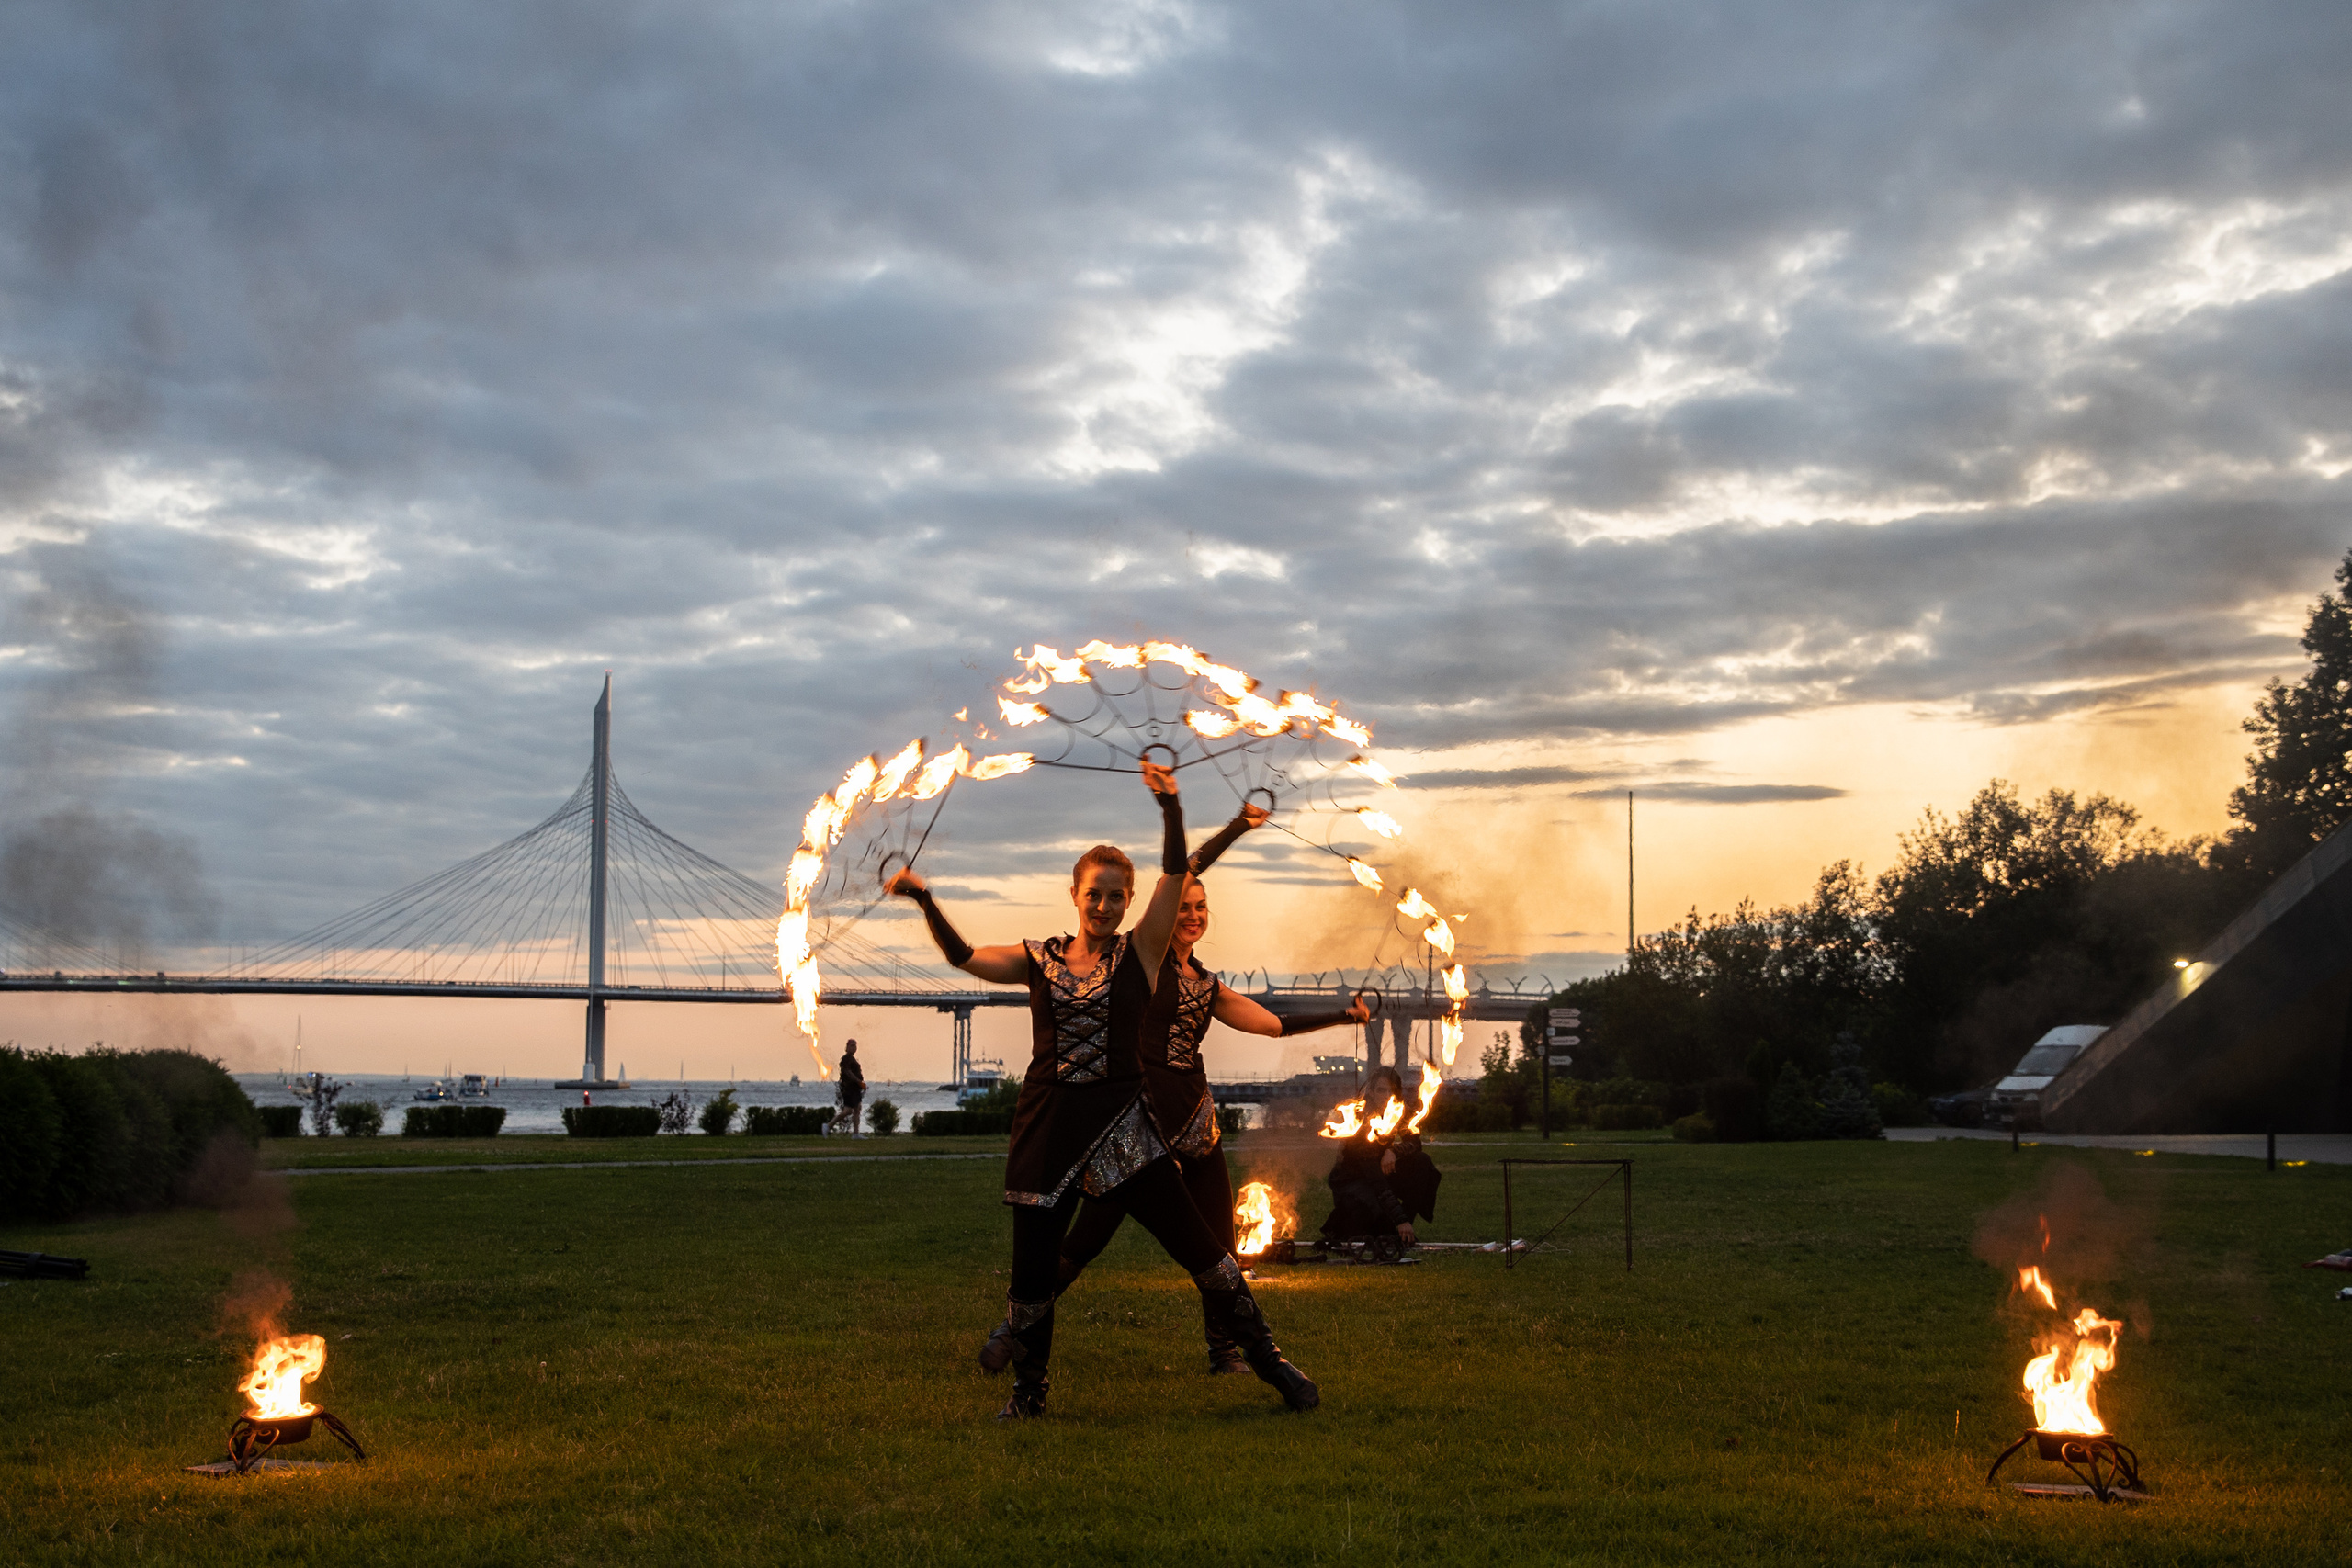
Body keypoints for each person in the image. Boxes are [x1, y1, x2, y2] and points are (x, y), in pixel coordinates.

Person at [889, 761, 1318, 1419]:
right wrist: (924, 900)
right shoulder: (1039, 957)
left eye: (1118, 896)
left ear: (1129, 902)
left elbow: (1176, 874)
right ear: (1075, 894)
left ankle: (1271, 1361)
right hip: (1049, 1126)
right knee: (1031, 1273)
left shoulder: (1140, 954)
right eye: (1096, 893)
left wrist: (1170, 804)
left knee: (1207, 1251)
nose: (1106, 905)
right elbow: (964, 957)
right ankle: (1029, 1391)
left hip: (1124, 1129)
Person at [992, 873, 1366, 1373]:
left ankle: (1224, 1350)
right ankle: (1011, 1332)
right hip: (1134, 1129)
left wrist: (1343, 1015)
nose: (1192, 917)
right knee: (1084, 1242)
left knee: (1218, 1245)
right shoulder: (1132, 967)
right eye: (1183, 907)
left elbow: (1271, 1023)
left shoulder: (1206, 985)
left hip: (1193, 1123)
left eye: (1201, 908)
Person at [1320, 1064, 1442, 1248]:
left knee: (1422, 1162)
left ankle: (1403, 1233)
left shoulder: (1397, 1109)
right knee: (1376, 1219)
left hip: (1380, 1172)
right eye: (1381, 1090)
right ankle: (1395, 1228)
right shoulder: (1358, 1119)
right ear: (1370, 1091)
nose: (1386, 1096)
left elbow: (1415, 1143)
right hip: (1353, 1181)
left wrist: (1394, 1151)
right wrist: (1398, 1218)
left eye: (1391, 1091)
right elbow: (1374, 1177)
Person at [834, 1039, 865, 1136]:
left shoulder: (852, 1059)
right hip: (850, 1089)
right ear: (847, 1047)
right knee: (852, 1109)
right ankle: (855, 1133)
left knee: (854, 1109)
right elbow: (848, 1072)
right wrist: (858, 1081)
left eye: (855, 1045)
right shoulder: (846, 1059)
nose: (854, 1047)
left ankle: (855, 1132)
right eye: (852, 1045)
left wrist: (861, 1083)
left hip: (854, 1088)